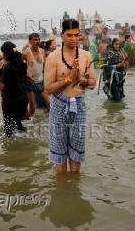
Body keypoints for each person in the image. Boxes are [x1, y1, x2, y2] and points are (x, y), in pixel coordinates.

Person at [44, 19, 96, 173]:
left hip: (79, 105)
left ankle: (73, 190)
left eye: (77, 35)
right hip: (59, 105)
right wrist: (68, 79)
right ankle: (62, 191)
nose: (74, 39)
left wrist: (81, 79)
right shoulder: (53, 57)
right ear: (62, 35)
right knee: (59, 153)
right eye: (70, 35)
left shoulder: (86, 55)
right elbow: (48, 88)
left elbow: (93, 83)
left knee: (77, 151)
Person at [0, 41, 29, 136]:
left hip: (11, 102)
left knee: (8, 131)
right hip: (23, 99)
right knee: (19, 124)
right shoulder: (23, 65)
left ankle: (10, 150)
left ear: (6, 54)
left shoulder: (7, 68)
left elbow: (1, 86)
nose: (2, 55)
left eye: (3, 53)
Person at [25, 33, 50, 111]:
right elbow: (20, 65)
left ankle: (43, 122)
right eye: (35, 40)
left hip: (40, 81)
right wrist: (27, 73)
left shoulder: (42, 51)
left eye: (38, 39)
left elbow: (45, 66)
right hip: (30, 82)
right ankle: (31, 122)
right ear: (30, 41)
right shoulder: (25, 53)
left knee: (49, 105)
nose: (37, 41)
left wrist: (48, 77)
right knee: (32, 108)